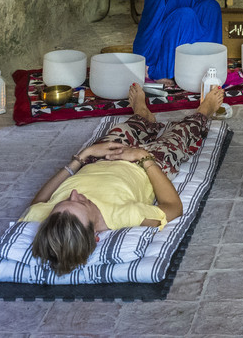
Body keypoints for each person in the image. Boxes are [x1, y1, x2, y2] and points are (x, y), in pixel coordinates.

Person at [24, 83, 224, 274]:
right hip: (145, 165)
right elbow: (173, 207)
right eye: (82, 203)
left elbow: (38, 203)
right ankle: (204, 111)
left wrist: (82, 157)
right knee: (179, 137)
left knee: (123, 130)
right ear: (95, 235)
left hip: (98, 157)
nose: (75, 194)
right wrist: (143, 158)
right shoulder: (123, 215)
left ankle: (143, 115)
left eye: (66, 200)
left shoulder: (54, 218)